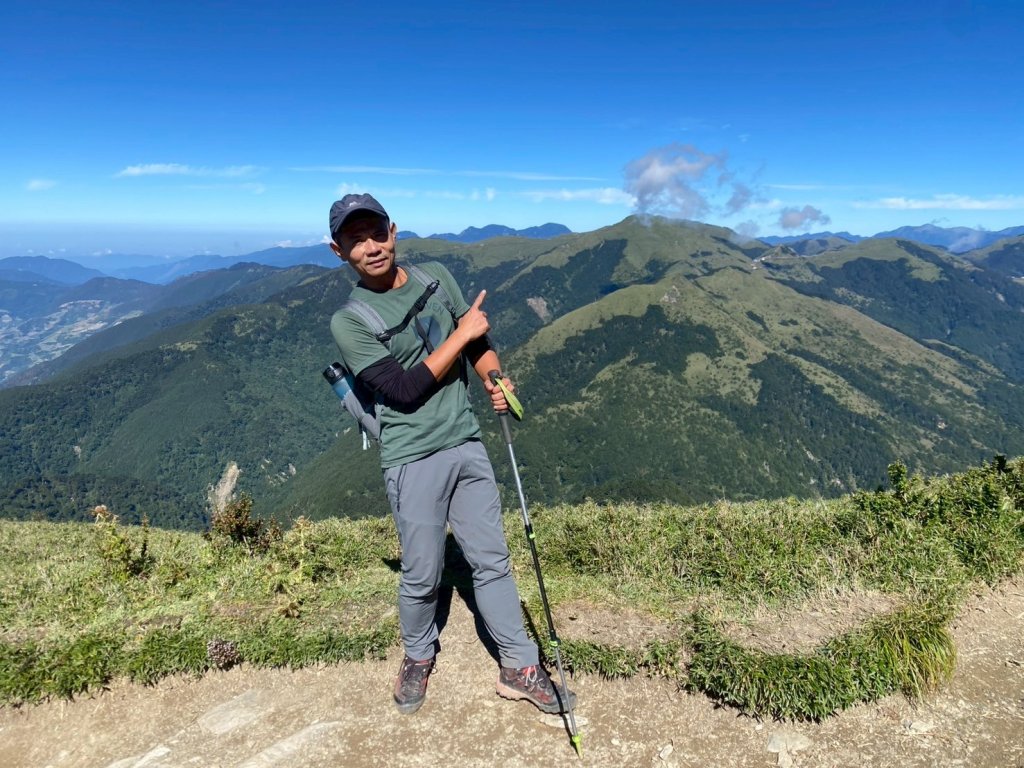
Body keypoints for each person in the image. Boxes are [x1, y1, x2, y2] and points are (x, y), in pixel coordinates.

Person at [327, 193, 577, 717]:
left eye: (377, 233)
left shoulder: (435, 275)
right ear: (338, 250)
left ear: (394, 231)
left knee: (492, 560)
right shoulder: (349, 321)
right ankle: (417, 655)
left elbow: (476, 340)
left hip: (465, 439)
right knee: (423, 571)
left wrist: (493, 377)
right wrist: (463, 332)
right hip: (411, 456)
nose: (371, 246)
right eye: (356, 239)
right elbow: (402, 391)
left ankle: (519, 665)